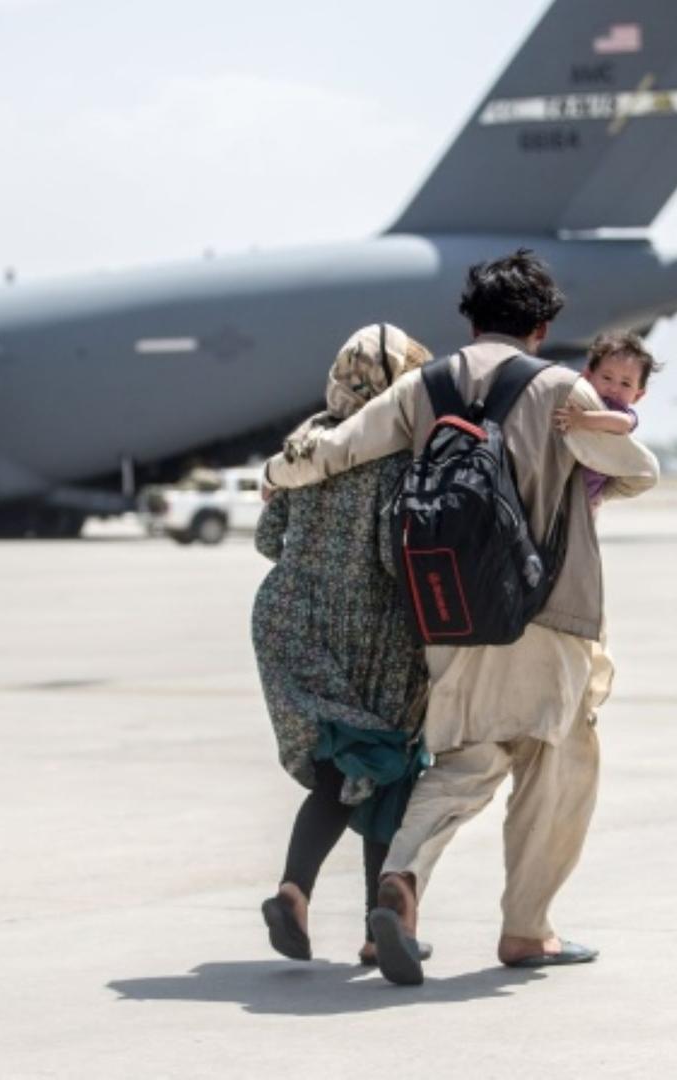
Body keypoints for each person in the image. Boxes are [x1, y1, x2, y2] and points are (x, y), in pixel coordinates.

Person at [261, 249, 659, 985]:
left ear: (469, 317)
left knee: (465, 759)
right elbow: (639, 468)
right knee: (559, 758)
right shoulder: (562, 388)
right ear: (541, 327)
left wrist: (276, 474)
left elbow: (339, 449)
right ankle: (527, 931)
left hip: (448, 613)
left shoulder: (426, 384)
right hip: (548, 611)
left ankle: (402, 878)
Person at [253, 323, 433, 967]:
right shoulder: (395, 452)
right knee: (384, 768)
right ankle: (379, 923)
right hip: (370, 629)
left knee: (340, 767)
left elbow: (269, 540)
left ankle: (295, 892)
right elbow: (393, 555)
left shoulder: (307, 440)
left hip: (290, 618)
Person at [552, 331, 661, 508]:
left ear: (638, 395)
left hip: (589, 492)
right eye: (607, 378)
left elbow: (622, 424)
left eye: (625, 384)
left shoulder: (621, 412)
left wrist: (582, 419)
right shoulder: (582, 398)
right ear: (587, 376)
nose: (614, 388)